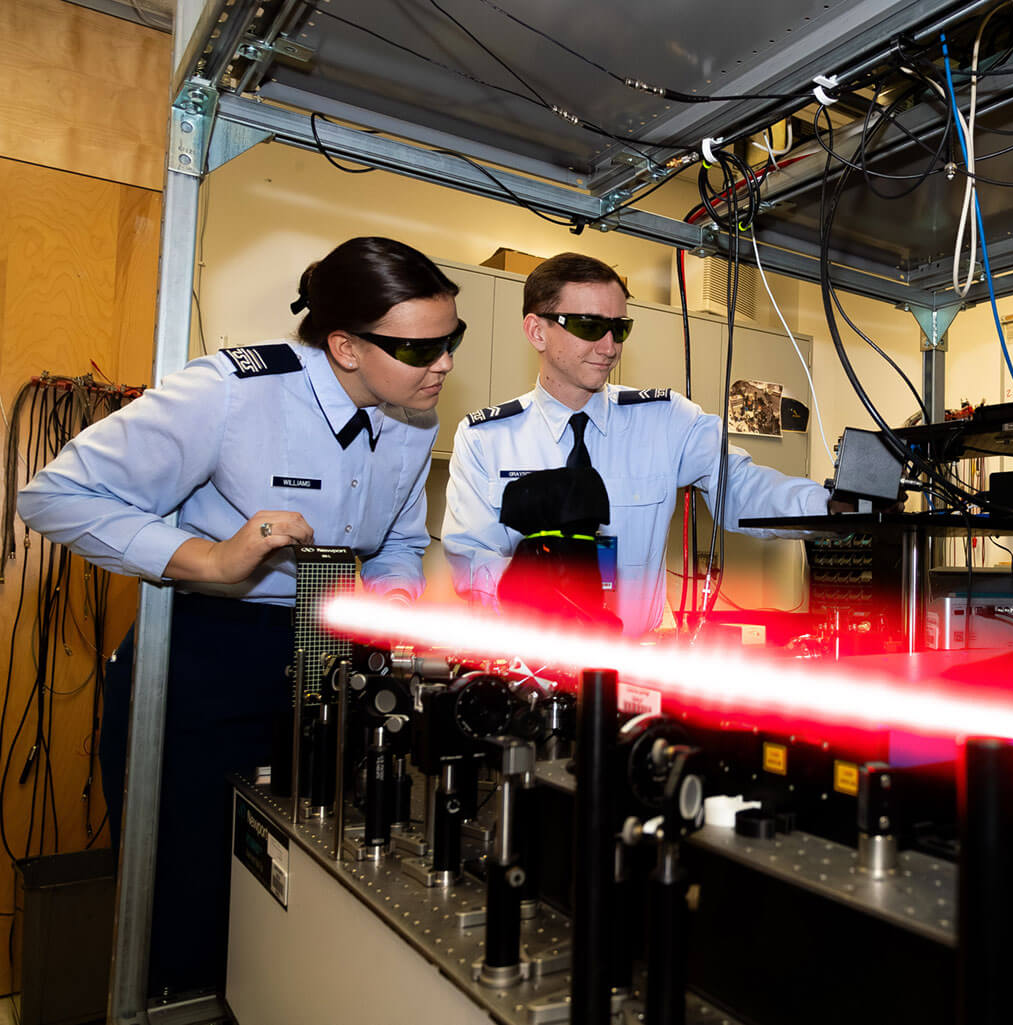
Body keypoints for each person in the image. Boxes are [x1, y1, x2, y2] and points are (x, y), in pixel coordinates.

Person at [17, 235, 462, 998]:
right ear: (345, 345)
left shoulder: (411, 418)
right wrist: (211, 561)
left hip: (327, 652)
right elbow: (54, 496)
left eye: (448, 340)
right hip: (203, 653)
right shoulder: (231, 390)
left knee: (301, 889)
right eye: (419, 348)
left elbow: (398, 540)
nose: (444, 364)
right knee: (188, 902)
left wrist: (392, 601)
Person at [441, 251, 830, 635]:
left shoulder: (663, 420)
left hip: (630, 667)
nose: (609, 347)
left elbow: (742, 487)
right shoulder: (486, 439)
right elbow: (471, 559)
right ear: (537, 331)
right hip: (529, 666)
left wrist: (834, 508)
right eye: (590, 327)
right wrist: (540, 580)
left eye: (619, 328)